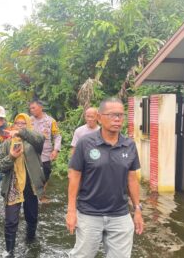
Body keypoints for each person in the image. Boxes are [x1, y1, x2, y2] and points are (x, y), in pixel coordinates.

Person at [66, 97, 144, 258]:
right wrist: (71, 210)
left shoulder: (129, 145)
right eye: (112, 115)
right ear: (100, 118)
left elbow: (132, 180)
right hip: (89, 213)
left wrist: (137, 209)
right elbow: (74, 177)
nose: (117, 119)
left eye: (120, 115)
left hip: (120, 215)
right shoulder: (85, 143)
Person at [0, 113, 45, 257]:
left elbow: (40, 138)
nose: (20, 126)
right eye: (18, 123)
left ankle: (30, 241)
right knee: (10, 221)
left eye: (24, 124)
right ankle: (9, 251)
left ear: (28, 125)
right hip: (13, 185)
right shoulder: (6, 144)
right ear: (13, 125)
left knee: (32, 217)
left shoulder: (34, 143)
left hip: (31, 185)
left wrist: (22, 133)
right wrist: (11, 156)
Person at [29, 100, 61, 202]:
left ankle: (41, 193)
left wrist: (56, 150)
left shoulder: (51, 121)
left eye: (33, 108)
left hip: (46, 154)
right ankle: (37, 197)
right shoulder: (29, 121)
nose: (31, 110)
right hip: (31, 154)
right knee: (32, 176)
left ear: (41, 107)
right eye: (30, 108)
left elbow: (57, 136)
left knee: (45, 174)